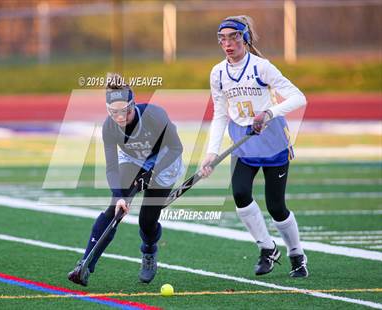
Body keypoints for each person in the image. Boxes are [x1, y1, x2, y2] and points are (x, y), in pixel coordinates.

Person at [200, 16, 308, 278]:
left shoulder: (262, 67)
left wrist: (268, 114)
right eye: (222, 39)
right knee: (240, 194)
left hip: (272, 142)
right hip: (243, 143)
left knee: (276, 207)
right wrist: (211, 152)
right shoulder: (218, 73)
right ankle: (267, 248)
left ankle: (296, 254)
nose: (227, 44)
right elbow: (220, 115)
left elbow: (298, 97)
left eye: (233, 37)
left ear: (245, 38)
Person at [68, 73, 184, 286]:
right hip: (132, 159)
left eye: (125, 111)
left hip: (164, 161)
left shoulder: (154, 116)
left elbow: (177, 147)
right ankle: (85, 264)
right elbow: (112, 166)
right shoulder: (109, 127)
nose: (120, 118)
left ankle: (149, 251)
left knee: (147, 221)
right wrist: (120, 195)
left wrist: (151, 174)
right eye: (114, 113)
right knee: (115, 208)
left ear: (133, 105)